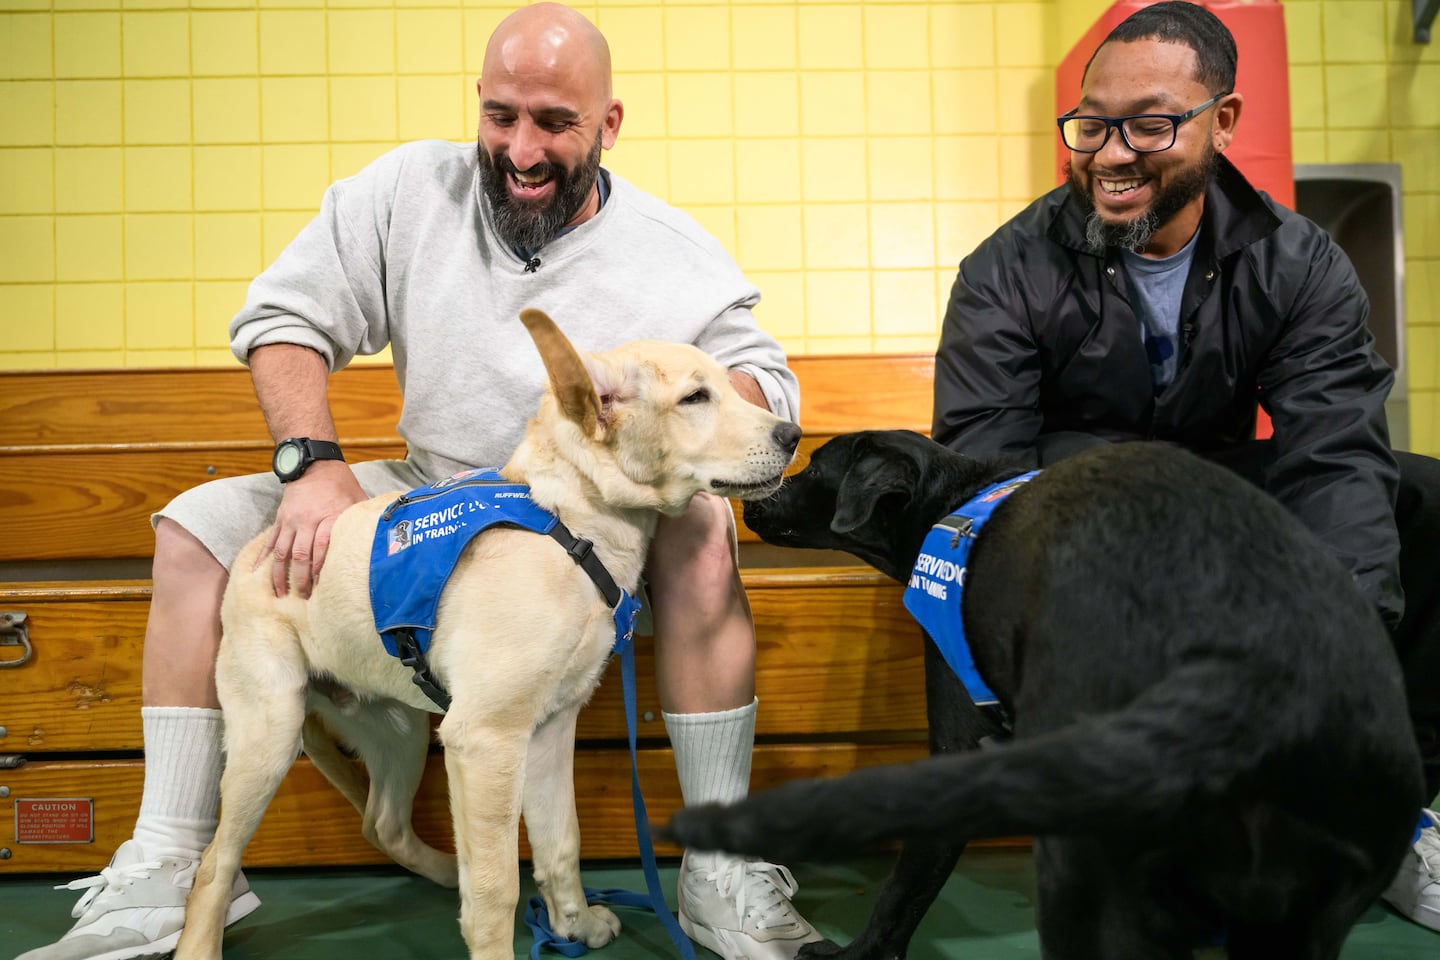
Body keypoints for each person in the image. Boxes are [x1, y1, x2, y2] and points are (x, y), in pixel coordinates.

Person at [19, 6, 824, 960]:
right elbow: (282, 319)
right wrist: (312, 468)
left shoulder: (670, 247)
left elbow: (764, 387)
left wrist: (657, 400)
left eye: (554, 124)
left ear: (609, 126)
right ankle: (173, 860)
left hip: (582, 504)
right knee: (194, 529)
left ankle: (721, 866)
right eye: (500, 116)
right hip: (422, 485)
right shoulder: (407, 189)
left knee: (699, 526)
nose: (521, 149)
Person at [931, 0, 1440, 934]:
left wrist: (1342, 660)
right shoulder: (1006, 270)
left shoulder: (1299, 263)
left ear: (1226, 122)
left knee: (1425, 494)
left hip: (1217, 485)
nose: (1112, 153)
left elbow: (1331, 450)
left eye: (1152, 124)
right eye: (1093, 124)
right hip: (1073, 505)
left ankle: (1389, 806)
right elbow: (983, 480)